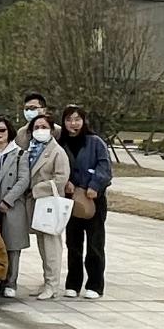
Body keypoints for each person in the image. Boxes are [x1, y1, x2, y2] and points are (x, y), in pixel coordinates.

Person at [59, 106, 112, 300]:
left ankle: (95, 284)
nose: (73, 123)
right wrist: (65, 182)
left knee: (95, 243)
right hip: (71, 199)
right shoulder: (60, 143)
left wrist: (95, 185)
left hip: (93, 199)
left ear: (83, 121)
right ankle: (73, 283)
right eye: (69, 120)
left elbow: (104, 166)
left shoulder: (95, 142)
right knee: (73, 243)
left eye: (77, 119)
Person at [24, 113, 71, 300]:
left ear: (51, 130)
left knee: (52, 245)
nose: (40, 131)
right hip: (36, 203)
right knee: (42, 244)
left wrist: (37, 188)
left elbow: (61, 178)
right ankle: (46, 280)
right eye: (36, 127)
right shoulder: (31, 148)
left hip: (48, 202)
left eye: (44, 127)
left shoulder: (57, 151)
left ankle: (53, 284)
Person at [0, 117, 29, 298]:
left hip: (11, 206)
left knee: (12, 245)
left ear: (9, 132)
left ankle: (11, 281)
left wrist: (8, 200)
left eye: (2, 130)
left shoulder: (20, 154)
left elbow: (23, 180)